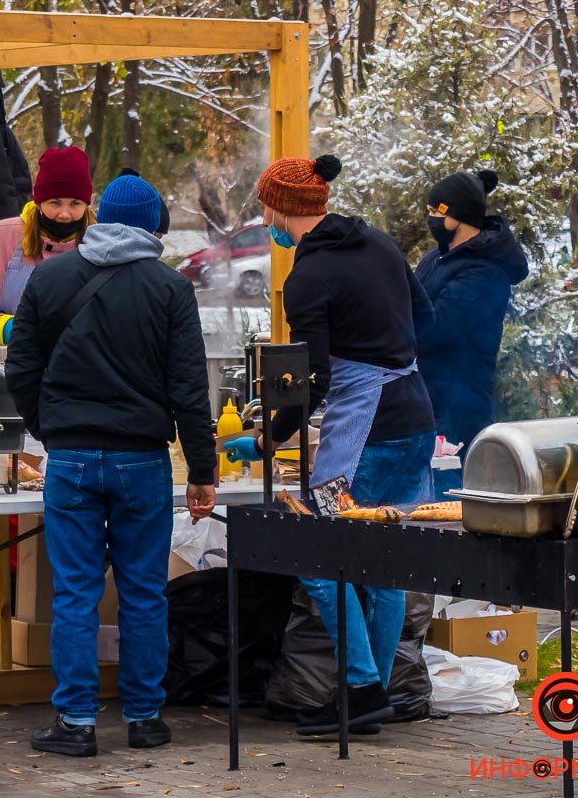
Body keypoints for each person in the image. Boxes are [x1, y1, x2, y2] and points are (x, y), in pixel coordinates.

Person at [223, 155, 435, 736]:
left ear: (277, 208)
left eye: (265, 205)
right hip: (415, 415)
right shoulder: (382, 244)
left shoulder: (307, 278)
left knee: (320, 556)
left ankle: (361, 690)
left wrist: (268, 439)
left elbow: (308, 379)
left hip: (372, 432)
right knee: (385, 561)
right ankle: (376, 689)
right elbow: (426, 315)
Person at [5, 174, 217, 757]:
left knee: (74, 594)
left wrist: (52, 431)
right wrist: (203, 471)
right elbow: (189, 391)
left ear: (98, 218)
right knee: (144, 592)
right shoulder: (170, 288)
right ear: (153, 226)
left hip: (70, 460)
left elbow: (19, 371)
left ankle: (75, 723)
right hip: (142, 462)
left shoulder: (49, 277)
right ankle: (146, 718)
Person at [415, 169, 529, 457]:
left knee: (449, 495)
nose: (430, 218)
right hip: (429, 398)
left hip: (458, 408)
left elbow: (436, 328)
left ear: (458, 215)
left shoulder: (485, 271)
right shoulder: (437, 257)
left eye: (435, 211)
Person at [0, 146, 95, 344]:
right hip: (5, 362)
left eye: (75, 203)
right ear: (39, 201)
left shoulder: (100, 245)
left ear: (87, 204)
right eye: (55, 203)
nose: (65, 214)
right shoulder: (1, 237)